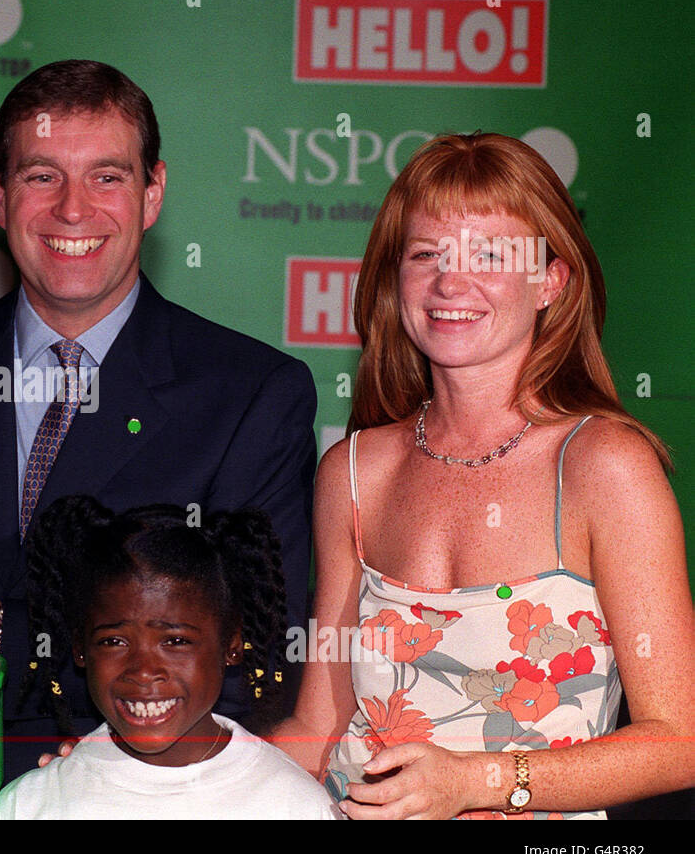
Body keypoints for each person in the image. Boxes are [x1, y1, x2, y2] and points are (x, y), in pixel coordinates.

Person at [0, 60, 318, 778]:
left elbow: (262, 660)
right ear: (0, 195)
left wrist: (3, 626)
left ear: (152, 193)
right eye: (41, 176)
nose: (72, 210)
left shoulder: (250, 395)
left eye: (107, 177)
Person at [271, 132, 695, 818]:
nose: (449, 282)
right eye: (426, 254)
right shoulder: (352, 470)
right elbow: (318, 734)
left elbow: (680, 739)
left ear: (551, 281)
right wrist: (153, 768)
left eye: (490, 255)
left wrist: (477, 781)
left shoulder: (604, 466)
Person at [0, 495, 337, 819]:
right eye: (114, 640)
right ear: (80, 646)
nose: (143, 671)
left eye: (175, 641)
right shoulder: (33, 803)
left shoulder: (291, 802)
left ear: (232, 644)